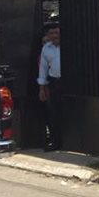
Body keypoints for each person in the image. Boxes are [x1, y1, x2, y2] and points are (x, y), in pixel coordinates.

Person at [36, 20, 63, 151]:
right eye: (51, 33)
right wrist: (42, 88)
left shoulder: (70, 44)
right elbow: (43, 68)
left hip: (69, 83)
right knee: (54, 113)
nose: (54, 35)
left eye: (56, 32)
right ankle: (55, 142)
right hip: (54, 83)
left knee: (70, 111)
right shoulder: (46, 48)